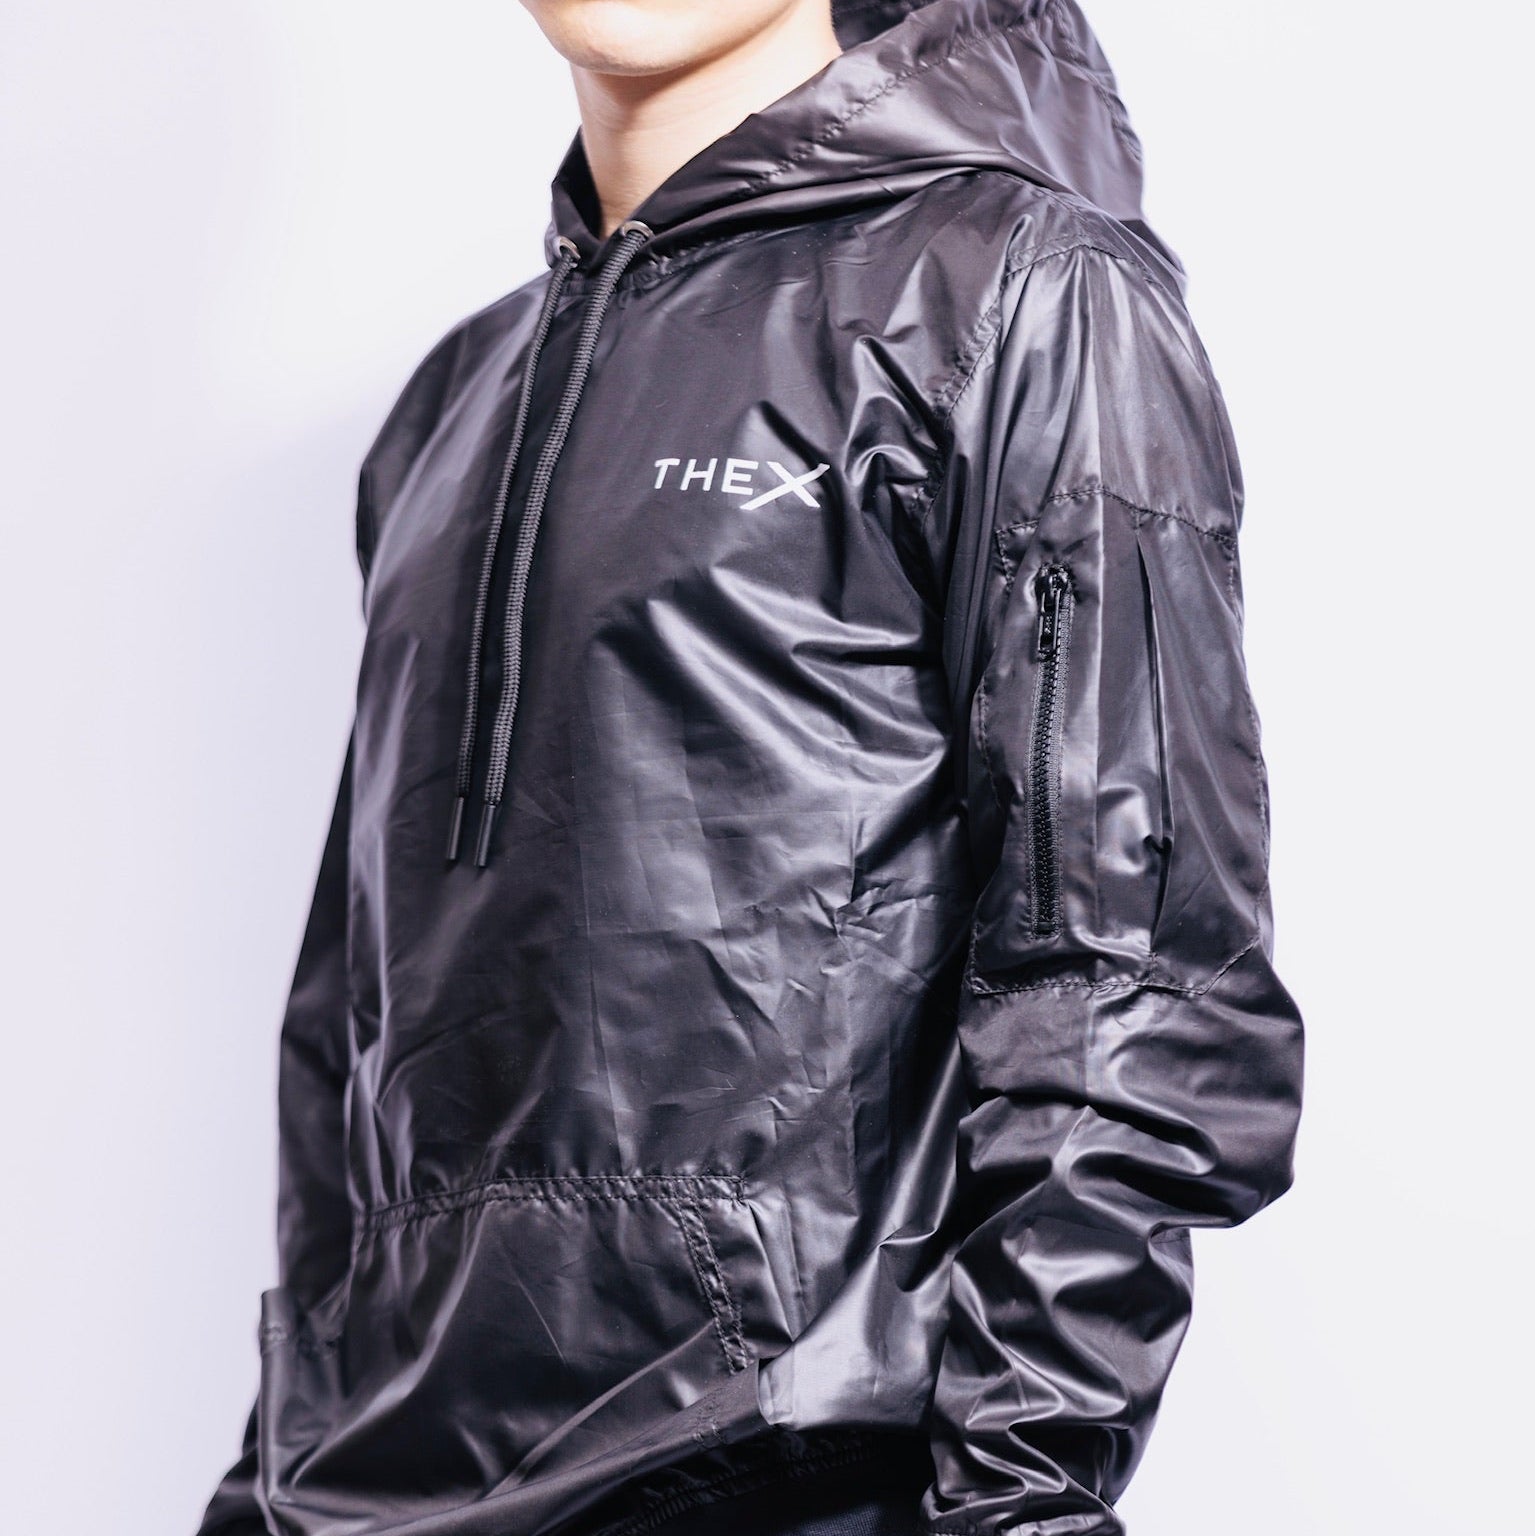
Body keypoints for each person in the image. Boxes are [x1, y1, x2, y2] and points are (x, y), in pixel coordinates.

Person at [193, 1, 1305, 1533]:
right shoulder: (449, 410)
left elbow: (1130, 971)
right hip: (376, 1496)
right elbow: (354, 1020)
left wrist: (1025, 1502)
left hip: (800, 1478)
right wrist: (266, 1483)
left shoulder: (1016, 293)